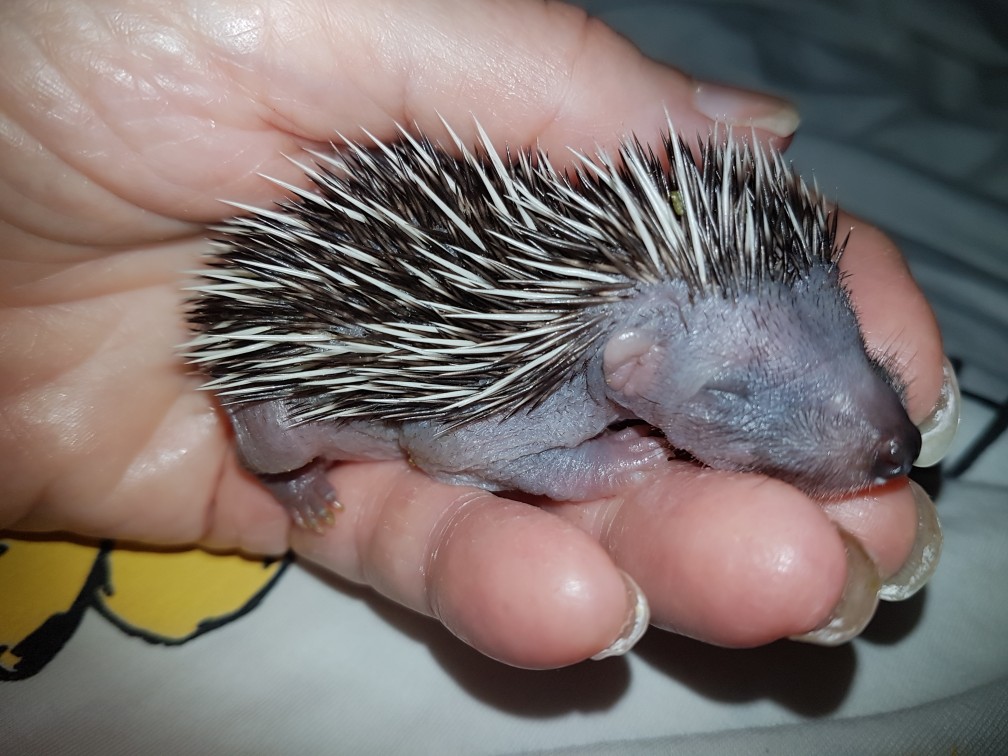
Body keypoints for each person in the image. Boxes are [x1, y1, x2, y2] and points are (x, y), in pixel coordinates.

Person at [0, 0, 951, 668]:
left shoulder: (632, 337)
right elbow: (446, 447)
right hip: (298, 346)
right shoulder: (549, 378)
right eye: (742, 393)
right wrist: (580, 468)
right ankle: (280, 471)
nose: (884, 426)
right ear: (631, 371)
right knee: (284, 434)